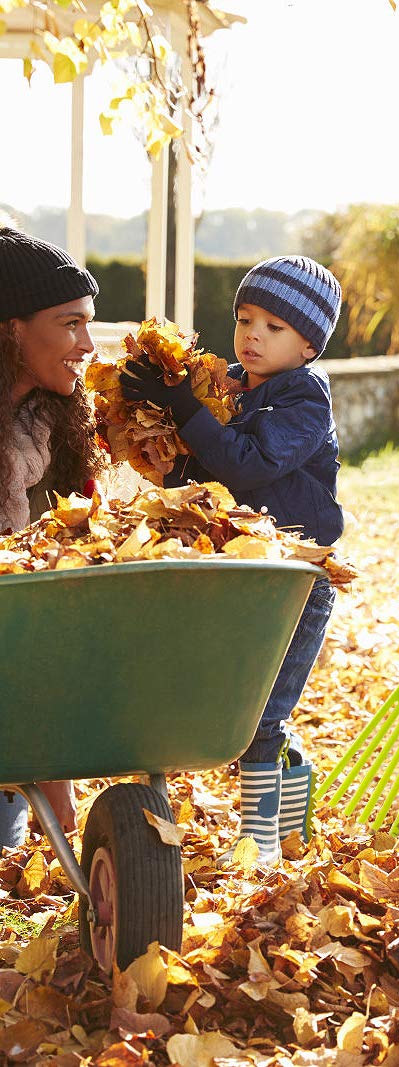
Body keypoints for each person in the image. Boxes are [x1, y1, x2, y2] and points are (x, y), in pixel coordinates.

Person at [120, 255, 344, 864]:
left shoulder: (304, 401)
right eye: (246, 319)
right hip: (242, 574)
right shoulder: (228, 393)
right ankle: (290, 800)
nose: (252, 335)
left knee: (263, 713)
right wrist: (171, 441)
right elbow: (213, 475)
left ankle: (259, 841)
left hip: (297, 578)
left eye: (274, 327)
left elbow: (249, 463)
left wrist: (189, 411)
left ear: (308, 346)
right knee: (243, 701)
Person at [0, 226, 105, 849]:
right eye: (70, 324)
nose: (88, 344)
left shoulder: (59, 426)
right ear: (13, 328)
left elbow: (75, 579)